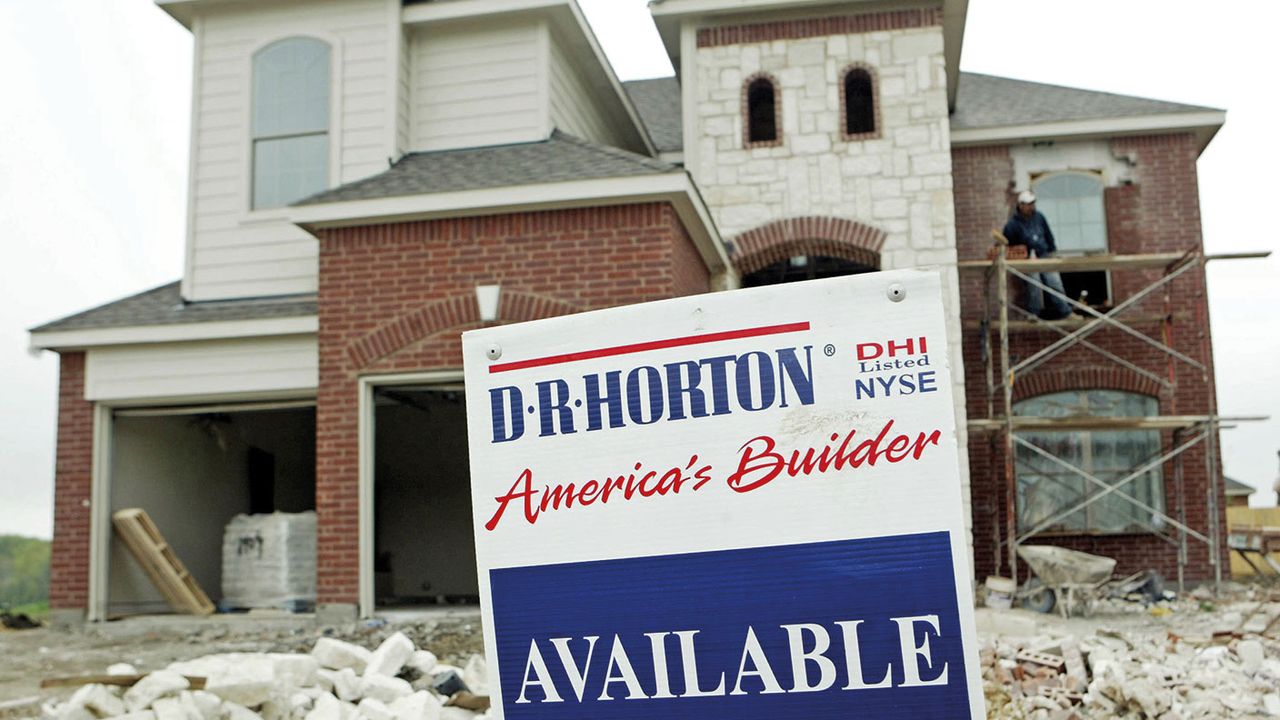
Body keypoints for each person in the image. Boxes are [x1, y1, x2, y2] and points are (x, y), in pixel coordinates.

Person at [1003, 190, 1072, 320]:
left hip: (1044, 255)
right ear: (1021, 205)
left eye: (1033, 203)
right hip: (1026, 260)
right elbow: (1007, 245)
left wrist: (1052, 251)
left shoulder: (1039, 217)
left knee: (1054, 282)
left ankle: (1065, 311)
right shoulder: (1013, 224)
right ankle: (1033, 314)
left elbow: (1048, 235)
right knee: (1033, 282)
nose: (1031, 207)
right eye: (1028, 204)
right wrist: (1019, 255)